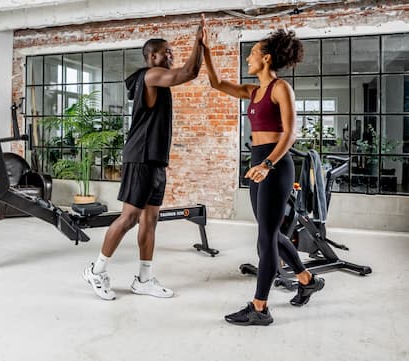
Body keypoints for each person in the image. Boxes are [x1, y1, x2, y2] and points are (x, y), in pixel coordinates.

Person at [202, 23, 325, 325]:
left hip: (275, 164)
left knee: (265, 238)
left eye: (253, 53)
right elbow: (218, 83)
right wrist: (205, 51)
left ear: (267, 58)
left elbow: (290, 132)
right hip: (258, 161)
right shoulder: (254, 91)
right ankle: (306, 279)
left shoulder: (281, 88)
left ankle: (260, 307)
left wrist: (268, 163)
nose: (248, 59)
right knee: (270, 232)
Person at [83, 18, 205, 301]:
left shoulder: (156, 81)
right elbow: (189, 72)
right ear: (152, 57)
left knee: (150, 220)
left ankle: (144, 279)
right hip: (140, 158)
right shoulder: (150, 76)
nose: (170, 56)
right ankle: (96, 270)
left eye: (172, 52)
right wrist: (199, 42)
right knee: (128, 218)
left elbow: (186, 71)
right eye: (166, 53)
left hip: (155, 161)